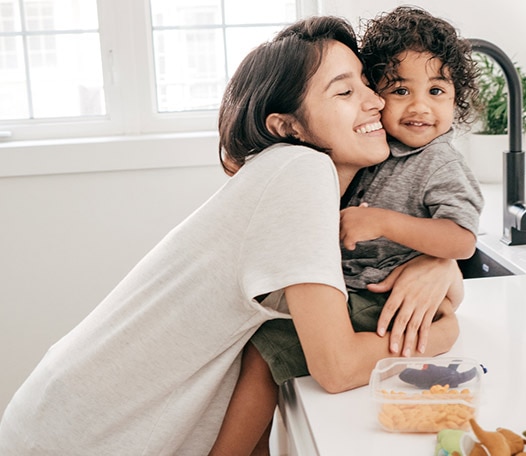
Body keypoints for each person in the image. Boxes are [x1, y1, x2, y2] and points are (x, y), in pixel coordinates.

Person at [0, 16, 460, 456]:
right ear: (288, 126)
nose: (375, 100)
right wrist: (444, 333)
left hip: (75, 412)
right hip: (84, 434)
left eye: (365, 81)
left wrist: (438, 264)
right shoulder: (301, 171)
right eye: (344, 91)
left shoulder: (326, 191)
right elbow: (336, 367)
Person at [210, 6, 483, 455]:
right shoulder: (363, 154)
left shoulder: (439, 161)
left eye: (437, 90)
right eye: (398, 89)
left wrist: (400, 236)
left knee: (266, 349)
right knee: (264, 349)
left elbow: (463, 239)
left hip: (376, 300)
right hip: (356, 294)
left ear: (457, 100)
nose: (419, 106)